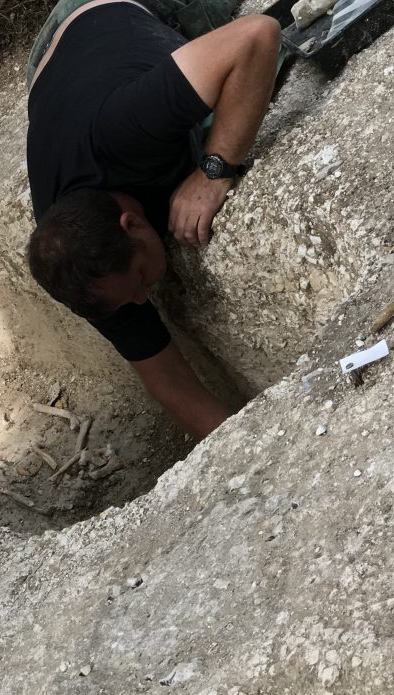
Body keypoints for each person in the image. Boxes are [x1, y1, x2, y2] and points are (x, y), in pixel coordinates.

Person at [25, 0, 281, 440]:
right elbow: (166, 380)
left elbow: (258, 34)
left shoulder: (125, 130)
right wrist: (247, 454)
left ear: (132, 224)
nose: (145, 299)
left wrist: (214, 171)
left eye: (141, 279)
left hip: (111, 10)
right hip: (53, 76)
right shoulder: (79, 267)